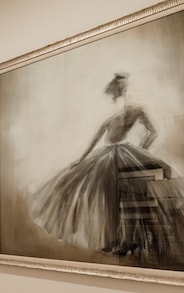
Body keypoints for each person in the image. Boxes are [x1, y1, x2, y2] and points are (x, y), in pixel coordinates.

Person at [30, 72, 184, 262]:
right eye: (114, 92)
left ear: (121, 90)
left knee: (122, 198)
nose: (114, 95)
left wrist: (143, 149)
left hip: (119, 154)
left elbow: (152, 132)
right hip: (111, 154)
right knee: (108, 197)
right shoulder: (115, 116)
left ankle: (128, 241)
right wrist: (81, 158)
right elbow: (96, 139)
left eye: (116, 91)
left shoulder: (134, 111)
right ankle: (119, 240)